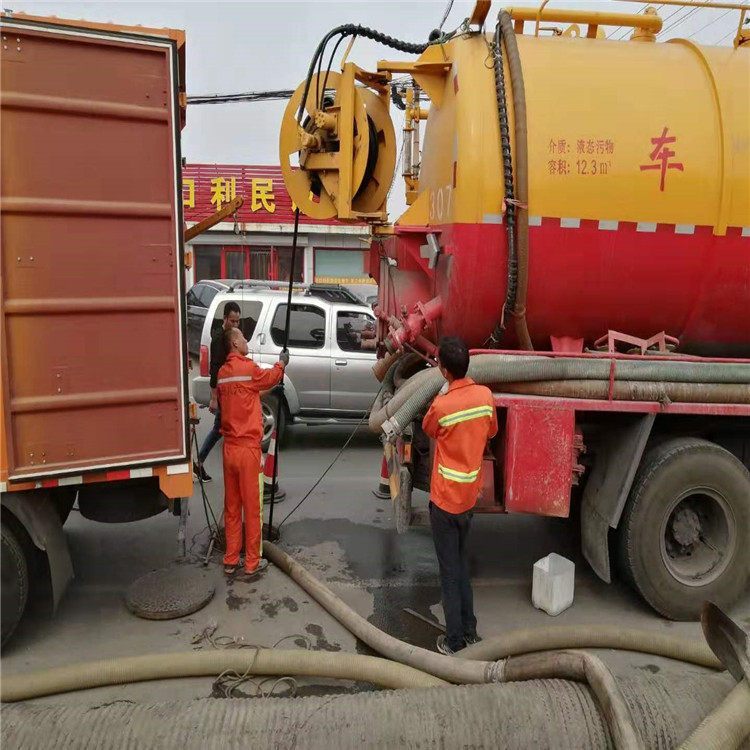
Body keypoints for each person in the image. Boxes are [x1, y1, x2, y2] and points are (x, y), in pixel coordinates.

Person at [422, 337, 498, 655]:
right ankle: (470, 631)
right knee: (462, 566)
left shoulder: (442, 405)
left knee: (449, 572)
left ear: (443, 370)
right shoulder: (485, 396)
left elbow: (429, 429)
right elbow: (491, 431)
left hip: (444, 502)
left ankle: (453, 642)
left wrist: (442, 394)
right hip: (469, 498)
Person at [217, 326, 288, 577]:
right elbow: (267, 379)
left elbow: (226, 401)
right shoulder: (246, 369)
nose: (246, 341)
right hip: (248, 449)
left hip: (228, 450)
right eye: (243, 337)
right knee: (252, 506)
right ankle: (251, 563)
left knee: (233, 507)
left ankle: (230, 560)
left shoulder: (223, 374)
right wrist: (281, 364)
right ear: (235, 343)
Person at [194, 301, 241, 482]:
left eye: (237, 321)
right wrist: (213, 397)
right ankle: (200, 462)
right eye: (232, 321)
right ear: (225, 318)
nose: (235, 325)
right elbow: (215, 370)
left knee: (221, 429)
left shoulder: (232, 335)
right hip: (222, 392)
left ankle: (200, 462)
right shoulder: (219, 338)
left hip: (231, 391)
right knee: (220, 429)